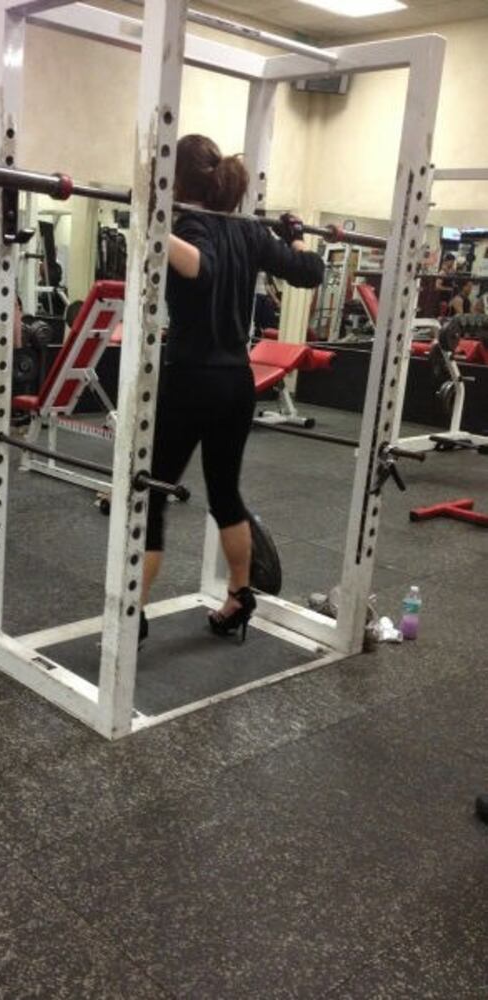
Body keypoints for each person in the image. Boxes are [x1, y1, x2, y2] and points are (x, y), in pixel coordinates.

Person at [140, 134, 324, 644]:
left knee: (152, 493)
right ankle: (240, 595)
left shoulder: (191, 225)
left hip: (190, 382)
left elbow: (203, 268)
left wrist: (153, 227)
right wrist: (295, 237)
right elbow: (310, 271)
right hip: (235, 384)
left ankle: (131, 611)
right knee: (225, 493)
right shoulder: (249, 231)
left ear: (178, 180)